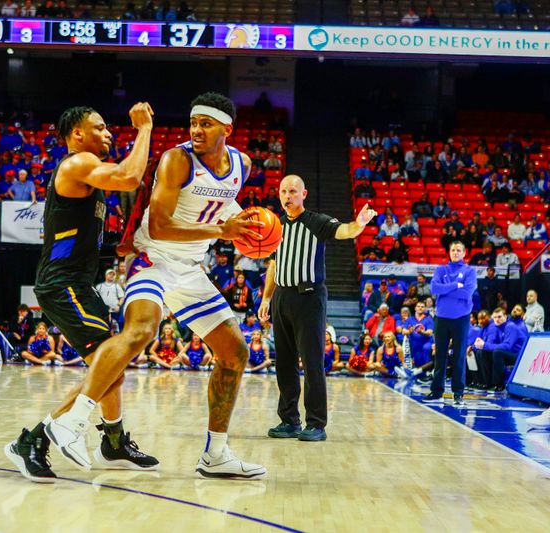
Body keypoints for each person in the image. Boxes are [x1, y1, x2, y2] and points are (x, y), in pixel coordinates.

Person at [45, 93, 266, 479]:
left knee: (236, 352)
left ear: (227, 130)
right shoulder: (177, 159)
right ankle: (72, 422)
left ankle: (216, 453)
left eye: (206, 124)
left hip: (192, 268)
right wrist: (223, 231)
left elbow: (224, 205)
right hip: (153, 259)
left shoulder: (242, 165)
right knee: (141, 331)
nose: (196, 130)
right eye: (193, 122)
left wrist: (253, 231)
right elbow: (161, 225)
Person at [4, 103, 158, 483]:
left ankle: (115, 438)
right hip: (63, 284)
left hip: (77, 281)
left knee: (112, 369)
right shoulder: (76, 164)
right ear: (77, 135)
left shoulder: (90, 177)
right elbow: (129, 177)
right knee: (112, 363)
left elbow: (77, 235)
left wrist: (118, 249)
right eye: (101, 127)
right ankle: (32, 441)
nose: (108, 133)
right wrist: (144, 130)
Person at [259, 174, 376, 441]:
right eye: (283, 191)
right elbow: (274, 265)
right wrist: (266, 298)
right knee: (285, 363)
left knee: (312, 362)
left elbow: (344, 230)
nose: (287, 196)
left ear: (304, 194)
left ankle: (316, 424)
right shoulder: (276, 227)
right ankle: (289, 420)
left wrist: (359, 223)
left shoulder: (316, 221)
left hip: (309, 298)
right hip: (282, 297)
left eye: (292, 191)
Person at [421, 241, 476, 406]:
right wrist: (455, 286)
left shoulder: (469, 271)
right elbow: (434, 289)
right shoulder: (441, 269)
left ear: (464, 253)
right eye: (453, 250)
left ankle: (458, 393)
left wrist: (447, 289)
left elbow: (467, 293)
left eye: (459, 250)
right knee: (440, 356)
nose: (456, 252)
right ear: (449, 252)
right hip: (442, 318)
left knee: (459, 356)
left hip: (461, 318)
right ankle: (437, 391)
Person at [475, 305, 528, 391]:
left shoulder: (510, 326)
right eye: (495, 317)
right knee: (483, 352)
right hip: (507, 353)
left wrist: (484, 345)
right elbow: (492, 344)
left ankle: (498, 384)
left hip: (518, 356)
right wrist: (480, 344)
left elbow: (507, 346)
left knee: (497, 353)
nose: (497, 319)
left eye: (499, 317)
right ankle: (487, 383)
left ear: (505, 317)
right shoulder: (497, 328)